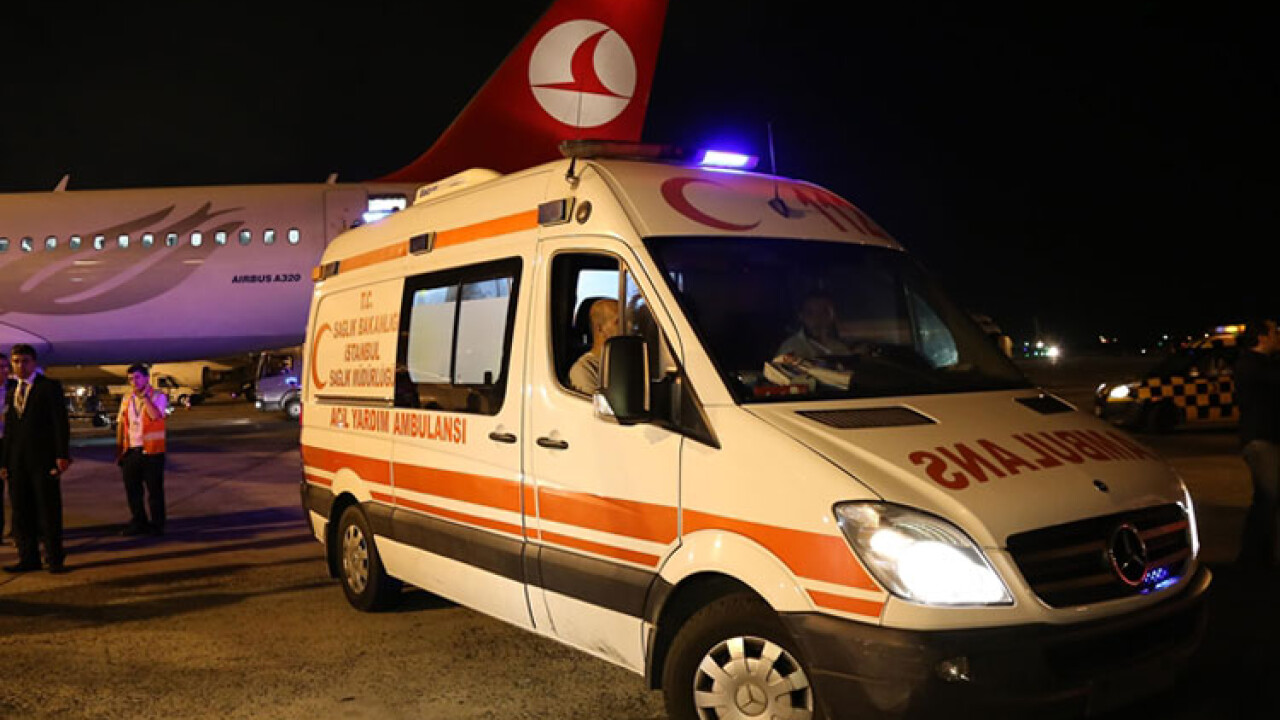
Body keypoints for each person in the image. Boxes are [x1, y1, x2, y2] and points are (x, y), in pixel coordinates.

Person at [1, 344, 72, 573]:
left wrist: (62, 454)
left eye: (25, 361)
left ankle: (54, 558)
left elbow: (59, 422)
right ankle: (28, 557)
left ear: (34, 363)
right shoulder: (12, 390)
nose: (20, 366)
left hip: (43, 459)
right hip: (17, 461)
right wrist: (4, 462)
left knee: (47, 509)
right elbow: (9, 430)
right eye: (16, 362)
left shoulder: (48, 387)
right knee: (21, 511)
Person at [1234, 317, 1280, 568]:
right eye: (1275, 332)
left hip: (1266, 438)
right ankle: (1252, 557)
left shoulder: (1261, 364)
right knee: (1267, 498)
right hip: (1261, 439)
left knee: (1267, 499)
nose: (1278, 337)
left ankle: (1260, 556)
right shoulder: (1252, 365)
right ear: (1262, 337)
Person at [116, 363, 168, 536]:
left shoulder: (159, 396)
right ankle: (139, 522)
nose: (134, 381)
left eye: (137, 377)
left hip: (152, 452)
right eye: (130, 379)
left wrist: (145, 398)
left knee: (154, 491)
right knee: (133, 491)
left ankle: (157, 525)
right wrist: (119, 450)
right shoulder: (127, 399)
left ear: (146, 378)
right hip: (131, 451)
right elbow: (121, 424)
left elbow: (155, 416)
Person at [776, 294, 851, 360]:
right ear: (801, 316)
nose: (818, 318)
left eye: (824, 312)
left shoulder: (840, 349)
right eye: (810, 313)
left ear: (833, 315)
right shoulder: (791, 348)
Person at [569, 298, 620, 394]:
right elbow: (592, 403)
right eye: (618, 322)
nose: (629, 325)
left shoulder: (624, 362)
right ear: (600, 329)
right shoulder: (584, 369)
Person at [0, 352, 10, 543]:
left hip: (11, 443)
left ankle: (20, 530)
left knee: (19, 490)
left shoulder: (15, 388)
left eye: (3, 367)